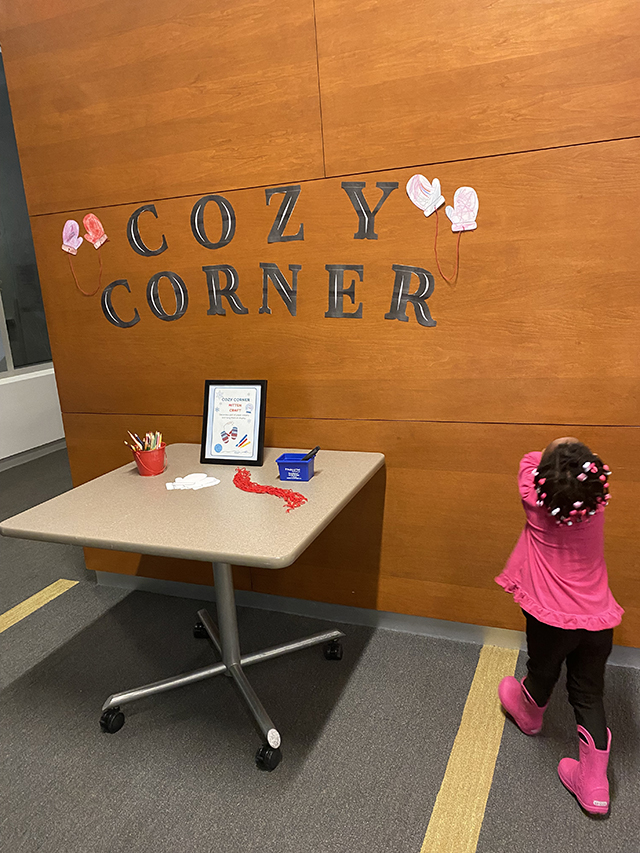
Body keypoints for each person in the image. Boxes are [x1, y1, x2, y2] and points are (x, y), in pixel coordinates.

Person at [495, 437, 623, 816]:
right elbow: (577, 470)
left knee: (543, 669)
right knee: (588, 694)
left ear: (541, 481)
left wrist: (556, 450)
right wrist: (577, 457)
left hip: (550, 619)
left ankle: (530, 714)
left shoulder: (535, 501)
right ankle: (595, 787)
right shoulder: (595, 503)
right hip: (598, 620)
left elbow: (530, 457)